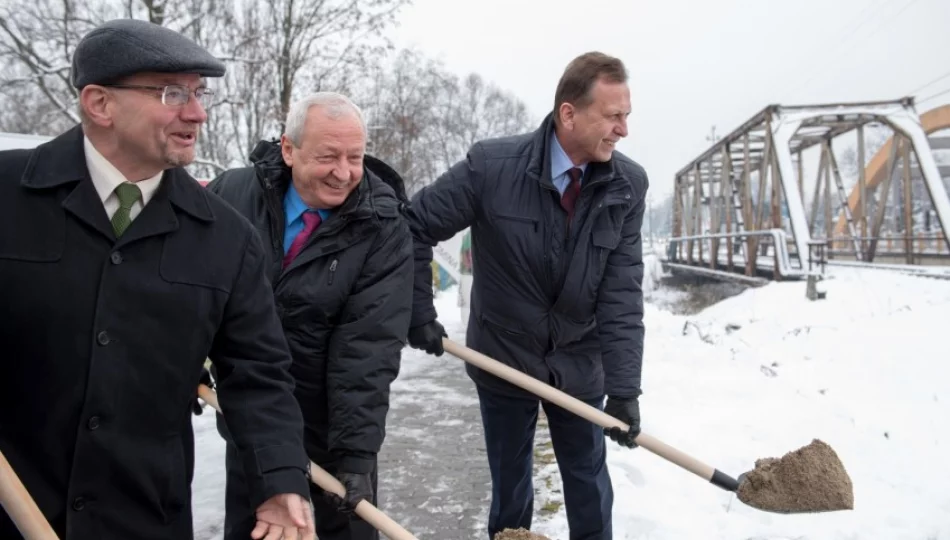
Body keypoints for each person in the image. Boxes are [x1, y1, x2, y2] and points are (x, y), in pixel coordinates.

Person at [0, 19, 315, 540]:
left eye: (198, 93)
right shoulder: (7, 196)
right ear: (99, 103)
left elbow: (258, 374)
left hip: (144, 517)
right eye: (173, 93)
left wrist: (280, 479)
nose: (197, 113)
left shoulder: (225, 239)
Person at [406, 51, 649, 540]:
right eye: (613, 116)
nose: (623, 130)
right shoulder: (491, 167)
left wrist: (624, 390)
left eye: (627, 116)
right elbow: (413, 226)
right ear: (569, 113)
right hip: (503, 356)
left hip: (580, 359)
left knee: (588, 486)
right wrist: (418, 311)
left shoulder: (627, 185)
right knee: (511, 488)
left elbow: (621, 291)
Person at [206, 92, 413, 540]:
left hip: (330, 424)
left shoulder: (382, 226)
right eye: (328, 156)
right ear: (288, 149)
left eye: (354, 157)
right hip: (249, 416)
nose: (343, 173)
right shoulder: (231, 196)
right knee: (256, 529)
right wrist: (181, 361)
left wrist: (355, 455)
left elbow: (367, 348)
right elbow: (195, 293)